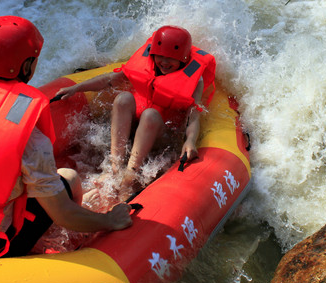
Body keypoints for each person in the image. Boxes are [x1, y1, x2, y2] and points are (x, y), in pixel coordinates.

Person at [0, 16, 132, 259]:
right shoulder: (30, 138)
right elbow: (63, 214)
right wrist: (109, 220)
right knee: (69, 179)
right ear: (26, 66)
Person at [56, 25, 216, 198]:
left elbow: (194, 115)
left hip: (161, 137)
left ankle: (130, 177)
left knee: (150, 115)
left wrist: (190, 140)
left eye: (171, 59)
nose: (164, 62)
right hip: (135, 128)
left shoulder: (194, 80)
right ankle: (115, 168)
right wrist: (77, 88)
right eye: (160, 56)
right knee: (123, 98)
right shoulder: (144, 65)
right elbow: (109, 80)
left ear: (183, 59)